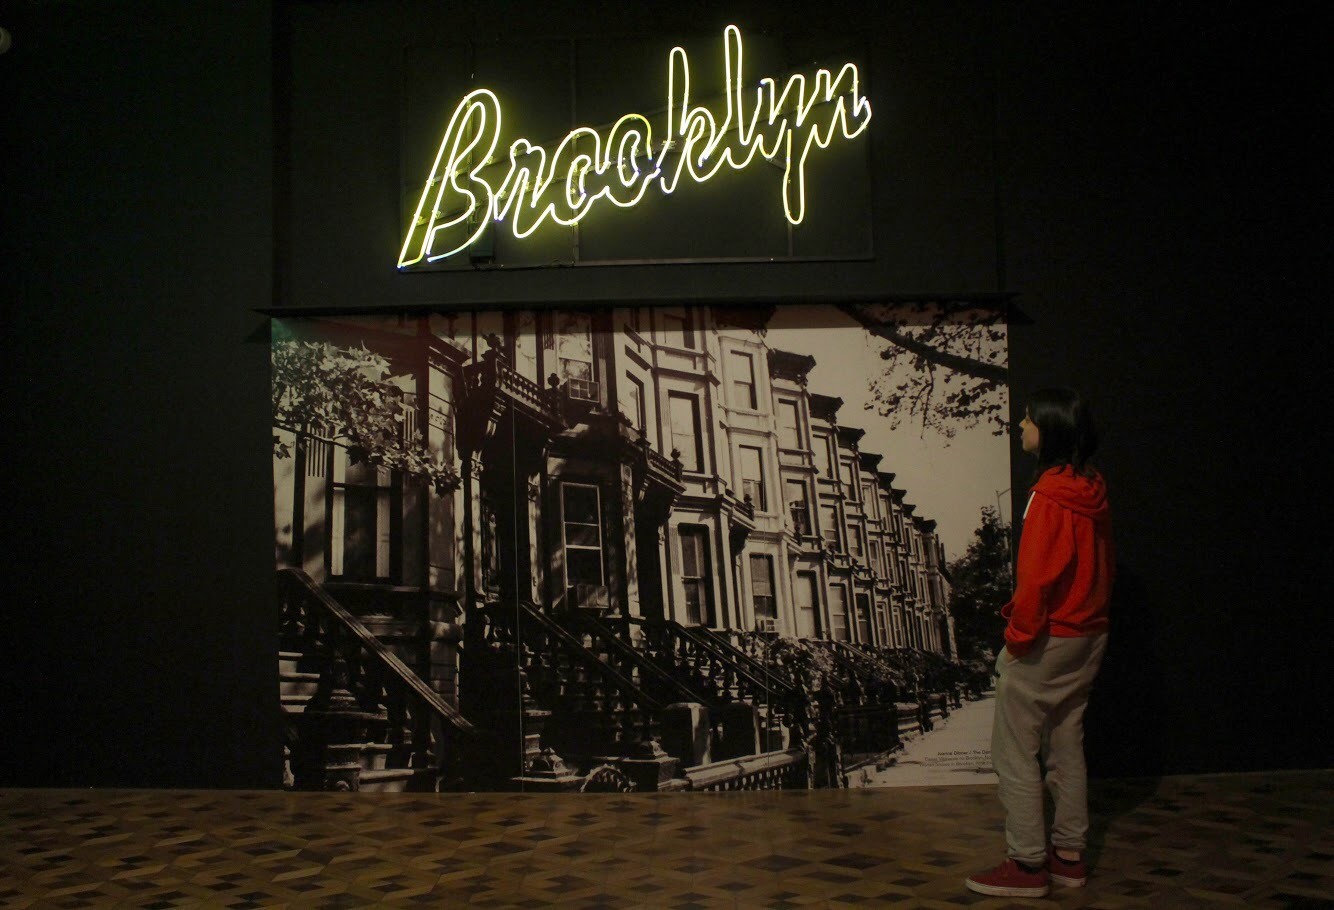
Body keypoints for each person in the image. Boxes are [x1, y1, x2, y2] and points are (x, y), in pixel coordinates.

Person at [965, 388, 1114, 898]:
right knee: (1066, 742)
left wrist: (1016, 639)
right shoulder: (1091, 488)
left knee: (1013, 751)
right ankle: (1069, 858)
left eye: (1026, 420)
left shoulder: (1047, 496)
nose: (1019, 427)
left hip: (1051, 637)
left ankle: (1027, 864)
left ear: (1047, 432)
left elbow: (1034, 579)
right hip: (1090, 634)